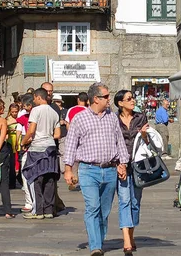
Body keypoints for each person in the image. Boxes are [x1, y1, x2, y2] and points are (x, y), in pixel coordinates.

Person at [63, 82, 130, 256]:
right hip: (88, 170)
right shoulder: (80, 118)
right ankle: (95, 247)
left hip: (109, 170)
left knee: (105, 211)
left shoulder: (112, 117)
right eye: (106, 96)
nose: (109, 99)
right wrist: (68, 169)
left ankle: (99, 240)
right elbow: (70, 145)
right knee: (92, 207)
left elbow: (119, 142)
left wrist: (122, 163)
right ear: (95, 99)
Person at [114, 89, 151, 254]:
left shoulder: (140, 117)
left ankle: (131, 234)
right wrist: (116, 163)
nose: (133, 100)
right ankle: (126, 241)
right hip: (121, 164)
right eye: (129, 98)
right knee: (124, 201)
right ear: (120, 103)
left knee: (135, 203)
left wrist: (144, 135)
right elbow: (111, 142)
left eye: (133, 98)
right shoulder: (113, 119)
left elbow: (149, 143)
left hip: (138, 166)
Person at [21, 88, 61, 219]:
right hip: (50, 147)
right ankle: (49, 210)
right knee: (49, 179)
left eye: (34, 98)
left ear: (38, 97)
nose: (33, 100)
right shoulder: (54, 113)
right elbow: (57, 134)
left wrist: (23, 141)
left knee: (36, 178)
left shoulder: (35, 110)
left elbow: (31, 130)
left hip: (37, 148)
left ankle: (39, 210)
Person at [41, 81, 66, 212]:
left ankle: (53, 203)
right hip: (39, 146)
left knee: (52, 177)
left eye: (51, 91)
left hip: (51, 146)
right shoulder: (38, 106)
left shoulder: (54, 108)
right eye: (47, 91)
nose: (49, 93)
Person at [18, 94, 35, 213]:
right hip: (32, 149)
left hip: (32, 148)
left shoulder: (35, 115)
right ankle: (30, 201)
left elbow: (30, 133)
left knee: (27, 175)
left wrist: (22, 142)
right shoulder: (24, 117)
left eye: (25, 106)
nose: (24, 108)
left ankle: (30, 202)